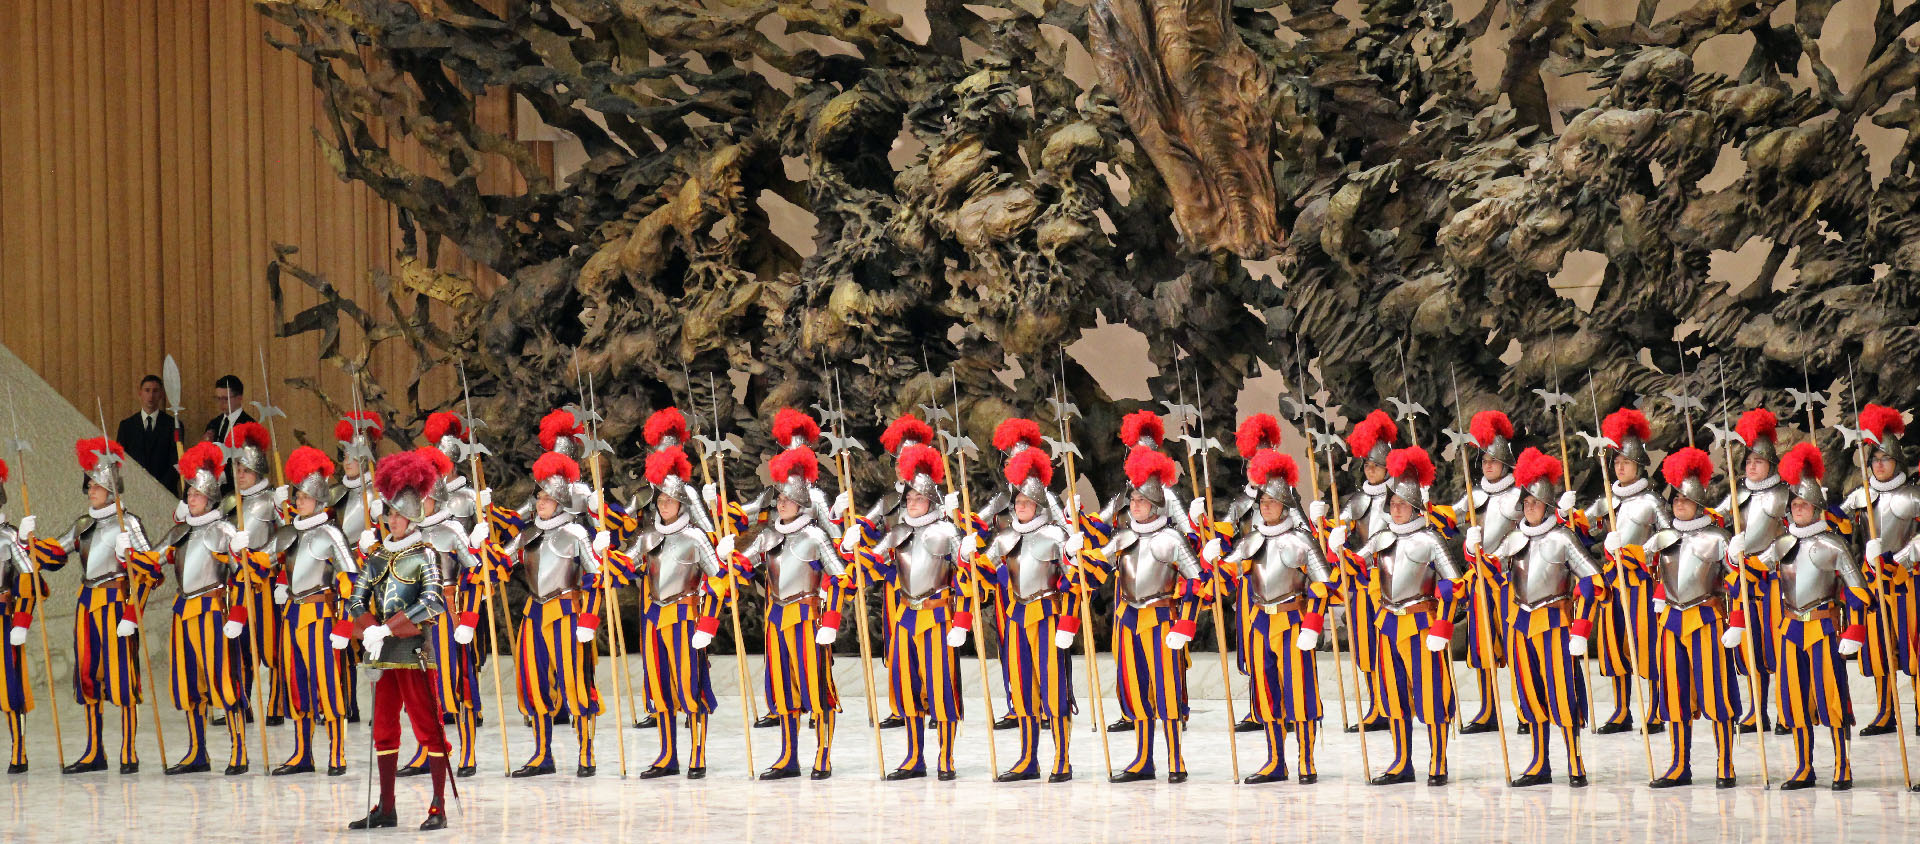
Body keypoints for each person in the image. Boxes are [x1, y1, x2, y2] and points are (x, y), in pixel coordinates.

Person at [1737, 442, 1868, 790]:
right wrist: (1737, 559)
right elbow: (1752, 575)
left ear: (1816, 508)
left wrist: (1855, 629)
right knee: (1794, 701)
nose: (1797, 509)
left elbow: (1858, 590)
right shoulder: (1780, 545)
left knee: (1831, 698)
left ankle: (1842, 765)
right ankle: (1803, 766)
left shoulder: (1833, 544)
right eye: (1793, 504)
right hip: (1790, 629)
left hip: (1824, 628)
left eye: (1803, 505)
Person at [1329, 444, 1462, 786]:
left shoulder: (1431, 539)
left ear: (1417, 506)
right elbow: (1356, 569)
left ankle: (1438, 760)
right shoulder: (1381, 537)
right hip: (1387, 622)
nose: (1396, 507)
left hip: (1422, 624)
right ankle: (1402, 761)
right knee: (1393, 694)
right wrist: (1337, 547)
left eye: (1403, 503)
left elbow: (1454, 585)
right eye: (1393, 503)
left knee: (1431, 693)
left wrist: (1443, 626)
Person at [23, 438, 152, 774]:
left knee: (123, 678)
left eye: (96, 485)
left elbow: (151, 572)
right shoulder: (84, 524)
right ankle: (95, 750)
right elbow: (55, 555)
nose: (91, 490)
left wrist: (132, 565)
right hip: (87, 603)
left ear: (111, 488)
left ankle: (128, 751)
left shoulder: (129, 523)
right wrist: (30, 542)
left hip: (115, 602)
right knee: (87, 677)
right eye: (89, 485)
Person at [722, 444, 847, 780]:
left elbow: (840, 578)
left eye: (788, 500)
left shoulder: (816, 536)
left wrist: (831, 621)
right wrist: (727, 554)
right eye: (779, 499)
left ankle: (823, 755)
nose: (781, 503)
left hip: (808, 619)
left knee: (816, 687)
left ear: (803, 503)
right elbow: (741, 565)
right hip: (776, 619)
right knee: (782, 689)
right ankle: (788, 755)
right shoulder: (767, 534)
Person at [1206, 447, 1330, 784]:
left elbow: (1323, 585)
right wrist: (1213, 558)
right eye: (1262, 503)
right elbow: (1226, 576)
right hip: (1260, 621)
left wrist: (1313, 625)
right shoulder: (1250, 541)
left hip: (1292, 622)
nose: (1265, 507)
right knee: (1266, 691)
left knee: (1298, 691)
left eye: (1271, 502)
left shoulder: (1303, 540)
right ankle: (1276, 760)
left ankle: (1306, 760)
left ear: (1286, 505)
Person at [345, 450, 452, 830]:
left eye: (398, 513)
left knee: (428, 725)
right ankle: (386, 806)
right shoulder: (375, 557)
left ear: (413, 516)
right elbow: (355, 597)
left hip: (413, 650)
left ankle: (437, 805)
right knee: (384, 727)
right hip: (380, 653)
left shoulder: (425, 555)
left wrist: (387, 628)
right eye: (388, 513)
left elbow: (433, 600)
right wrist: (368, 626)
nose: (391, 519)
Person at [486, 451, 604, 778]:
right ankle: (542, 754)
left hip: (566, 611)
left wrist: (590, 620)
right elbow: (498, 563)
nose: (541, 502)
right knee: (533, 683)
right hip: (533, 613)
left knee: (574, 682)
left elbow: (599, 578)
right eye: (539, 496)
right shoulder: (527, 533)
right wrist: (484, 539)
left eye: (548, 498)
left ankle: (585, 751)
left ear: (562, 501)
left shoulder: (577, 534)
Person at [859, 444, 973, 781]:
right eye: (908, 498)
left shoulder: (949, 532)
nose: (911, 503)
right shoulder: (897, 532)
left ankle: (946, 756)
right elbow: (870, 566)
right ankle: (913, 756)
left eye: (918, 499)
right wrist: (852, 542)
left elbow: (969, 579)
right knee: (905, 687)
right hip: (905, 617)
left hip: (938, 617)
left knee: (940, 688)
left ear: (932, 501)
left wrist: (962, 622)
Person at [138, 442, 252, 776]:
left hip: (213, 611)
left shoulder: (225, 530)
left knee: (223, 679)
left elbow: (244, 575)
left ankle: (239, 750)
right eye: (188, 494)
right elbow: (152, 559)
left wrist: (239, 615)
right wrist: (128, 554)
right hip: (183, 612)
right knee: (188, 683)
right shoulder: (179, 531)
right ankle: (196, 751)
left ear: (211, 496)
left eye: (196, 494)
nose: (190, 498)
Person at [617, 437, 725, 778]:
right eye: (660, 499)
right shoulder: (648, 536)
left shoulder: (695, 537)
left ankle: (697, 753)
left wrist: (707, 625)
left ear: (682, 503)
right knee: (660, 688)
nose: (664, 504)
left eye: (670, 499)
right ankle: (667, 755)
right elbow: (622, 567)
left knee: (688, 686)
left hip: (686, 617)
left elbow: (720, 580)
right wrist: (606, 552)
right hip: (654, 618)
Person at [1097, 443, 1203, 784]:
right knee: (1136, 689)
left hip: (1161, 621)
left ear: (1156, 504)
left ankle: (1175, 759)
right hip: (1128, 620)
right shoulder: (1122, 537)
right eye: (1133, 501)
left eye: (1141, 501)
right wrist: (1076, 553)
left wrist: (1186, 624)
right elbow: (1092, 570)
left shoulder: (1172, 539)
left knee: (1166, 691)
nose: (1134, 505)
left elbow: (1197, 582)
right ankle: (1143, 759)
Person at [1496, 448, 1600, 787]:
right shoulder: (1514, 539)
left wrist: (1582, 627)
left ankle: (1574, 761)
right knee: (1531, 693)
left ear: (1548, 506)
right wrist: (1472, 550)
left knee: (1561, 692)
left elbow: (1592, 581)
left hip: (1555, 622)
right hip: (1521, 623)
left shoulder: (1562, 538)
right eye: (1525, 503)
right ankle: (1540, 761)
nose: (1529, 507)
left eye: (1535, 503)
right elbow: (1490, 571)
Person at [979, 446, 1084, 782]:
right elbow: (979, 576)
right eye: (1017, 503)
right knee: (1022, 690)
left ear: (1038, 506)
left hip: (1049, 618)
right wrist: (969, 556)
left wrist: (1068, 623)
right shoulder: (1005, 538)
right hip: (1016, 618)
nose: (1019, 508)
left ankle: (1062, 759)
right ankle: (1027, 759)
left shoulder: (1055, 536)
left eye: (1025, 503)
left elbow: (1076, 584)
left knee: (1054, 690)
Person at [1646, 447, 1740, 788]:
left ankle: (1725, 763)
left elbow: (1737, 581)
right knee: (1674, 693)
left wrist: (1739, 620)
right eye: (1675, 500)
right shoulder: (1663, 538)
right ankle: (1678, 764)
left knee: (1716, 692)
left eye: (1685, 499)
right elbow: (1652, 572)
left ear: (1699, 502)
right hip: (1670, 621)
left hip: (1706, 619)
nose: (1678, 505)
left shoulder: (1717, 538)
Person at [265, 446, 357, 776]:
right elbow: (260, 561)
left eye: (302, 497)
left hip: (321, 616)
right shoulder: (288, 532)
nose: (297, 501)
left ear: (318, 501)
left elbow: (350, 579)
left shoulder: (331, 533)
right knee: (296, 683)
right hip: (293, 614)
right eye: (297, 496)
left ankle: (337, 751)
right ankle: (303, 753)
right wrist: (241, 548)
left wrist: (346, 623)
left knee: (328, 684)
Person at [1581, 408, 1669, 735]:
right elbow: (1584, 528)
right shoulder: (1607, 497)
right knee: (1614, 644)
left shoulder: (1651, 500)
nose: (1620, 467)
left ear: (1639, 466)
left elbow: (1669, 535)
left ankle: (1657, 708)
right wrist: (1569, 514)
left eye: (1626, 463)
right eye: (1617, 461)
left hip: (1642, 582)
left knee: (1647, 645)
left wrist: (1639, 552)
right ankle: (1621, 710)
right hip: (1612, 582)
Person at [1315, 410, 1399, 734]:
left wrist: (1353, 556)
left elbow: (1385, 535)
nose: (1370, 469)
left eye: (1375, 465)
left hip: (1390, 579)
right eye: (1366, 464)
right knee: (1366, 646)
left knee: (1389, 644)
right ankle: (1376, 703)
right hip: (1363, 582)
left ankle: (1395, 702)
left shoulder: (1398, 497)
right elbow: (1340, 527)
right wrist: (1324, 523)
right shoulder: (1358, 498)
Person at [1845, 404, 1917, 738]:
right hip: (1872, 582)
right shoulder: (1861, 494)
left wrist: (1897, 557)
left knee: (1914, 646)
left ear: (1897, 461)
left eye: (1884, 459)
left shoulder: (1913, 495)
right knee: (1878, 648)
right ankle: (1885, 710)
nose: (1878, 465)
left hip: (1907, 583)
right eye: (1874, 459)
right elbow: (1833, 523)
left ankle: (1919, 709)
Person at [1718, 408, 1787, 734]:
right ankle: (1755, 709)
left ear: (1771, 464)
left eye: (1757, 462)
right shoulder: (1739, 492)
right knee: (1752, 647)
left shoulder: (1783, 493)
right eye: (1748, 461)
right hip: (1743, 576)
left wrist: (1768, 559)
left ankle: (1788, 710)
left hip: (1776, 579)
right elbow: (1712, 518)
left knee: (1779, 647)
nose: (1751, 466)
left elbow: (1794, 533)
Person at [1455, 410, 1521, 735]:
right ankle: (1488, 709)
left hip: (1511, 579)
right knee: (1481, 645)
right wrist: (1424, 504)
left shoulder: (1519, 496)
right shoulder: (1474, 495)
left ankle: (1525, 710)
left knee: (1514, 645)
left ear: (1506, 462)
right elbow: (1443, 518)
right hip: (1480, 580)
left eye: (1494, 460)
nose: (1488, 465)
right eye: (1484, 461)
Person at [0, 460, 40, 773]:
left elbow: (30, 581)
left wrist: (22, 621)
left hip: (4, 615)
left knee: (10, 689)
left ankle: (19, 750)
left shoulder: (11, 537)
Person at [116, 375, 179, 493]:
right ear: (140, 393)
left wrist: (160, 488)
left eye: (155, 391)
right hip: (135, 490)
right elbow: (122, 460)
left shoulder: (174, 425)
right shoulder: (126, 426)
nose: (151, 396)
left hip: (165, 491)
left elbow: (176, 461)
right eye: (147, 390)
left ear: (161, 394)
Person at [204, 375, 255, 445]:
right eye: (218, 398)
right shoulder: (213, 424)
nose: (221, 403)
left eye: (225, 399)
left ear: (239, 398)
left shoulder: (250, 426)